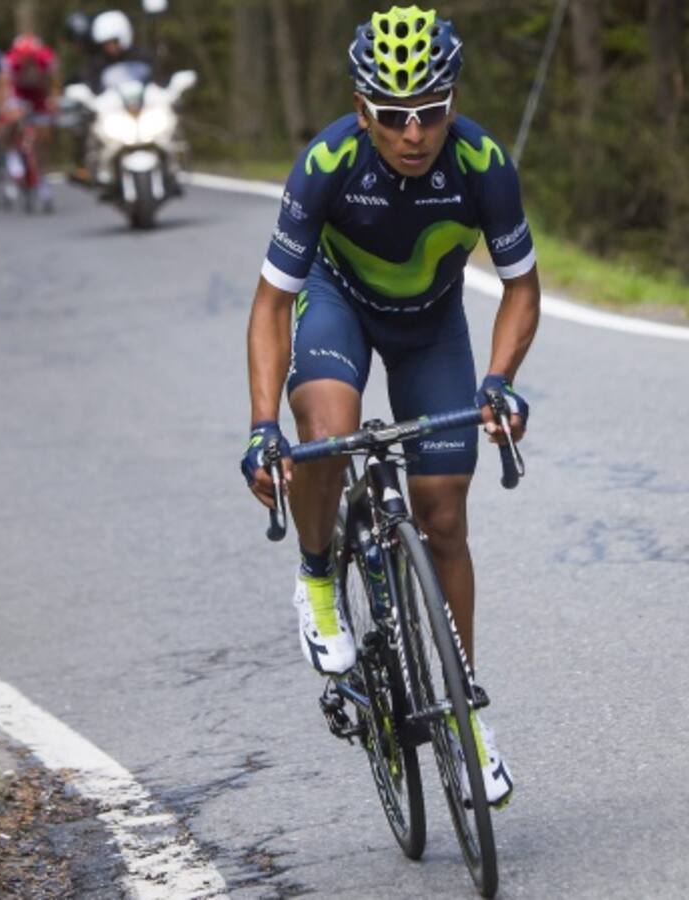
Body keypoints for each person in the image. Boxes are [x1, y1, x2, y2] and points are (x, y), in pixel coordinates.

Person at [241, 6, 538, 808]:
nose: (416, 133)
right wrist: (263, 426)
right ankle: (317, 582)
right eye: (394, 115)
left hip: (432, 327)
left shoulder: (483, 164)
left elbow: (521, 288)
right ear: (361, 107)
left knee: (444, 517)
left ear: (453, 101)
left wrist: (501, 378)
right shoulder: (328, 162)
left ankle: (467, 716)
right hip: (339, 307)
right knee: (329, 437)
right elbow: (272, 304)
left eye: (432, 110)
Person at [0, 33, 60, 210]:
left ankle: (43, 181)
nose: (26, 61)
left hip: (38, 96)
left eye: (29, 58)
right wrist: (6, 109)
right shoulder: (10, 61)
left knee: (44, 135)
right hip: (18, 95)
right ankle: (13, 157)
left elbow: (54, 83)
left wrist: (54, 100)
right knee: (11, 122)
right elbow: (3, 87)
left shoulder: (45, 58)